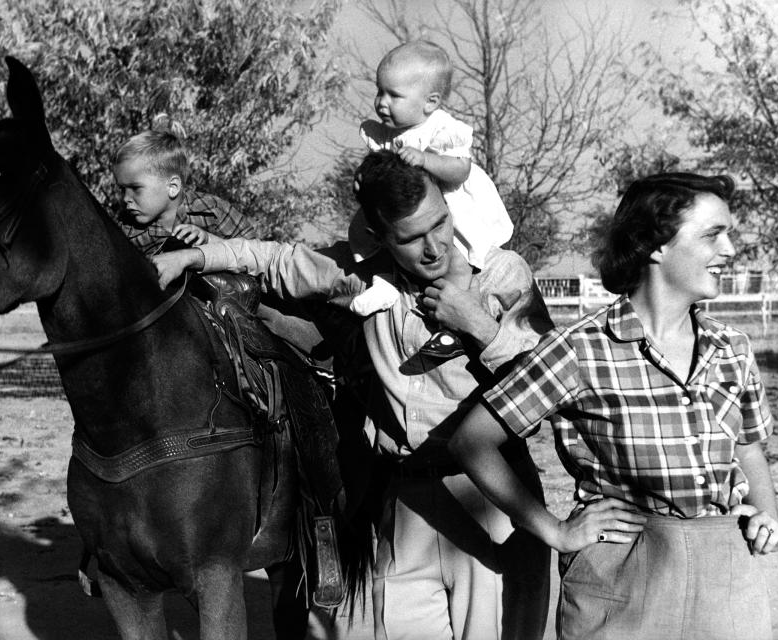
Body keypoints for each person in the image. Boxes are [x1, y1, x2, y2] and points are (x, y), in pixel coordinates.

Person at [153, 150, 552, 640]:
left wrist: (479, 325)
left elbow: (547, 389)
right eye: (411, 238)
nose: (434, 248)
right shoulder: (366, 279)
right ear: (382, 238)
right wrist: (193, 255)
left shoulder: (504, 274)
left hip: (491, 497)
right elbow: (276, 258)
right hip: (404, 501)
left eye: (439, 224)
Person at [449, 172, 778, 639]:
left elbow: (748, 448)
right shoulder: (577, 349)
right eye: (713, 234)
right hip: (622, 575)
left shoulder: (733, 348)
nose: (730, 250)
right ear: (655, 244)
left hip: (727, 575)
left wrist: (767, 513)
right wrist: (554, 531)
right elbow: (472, 441)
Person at [348, 40, 514, 361]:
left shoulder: (441, 129)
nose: (382, 103)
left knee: (458, 258)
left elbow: (460, 169)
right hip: (409, 208)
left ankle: (452, 329)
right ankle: (385, 287)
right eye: (379, 92)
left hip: (448, 203)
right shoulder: (384, 134)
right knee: (379, 238)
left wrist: (425, 160)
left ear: (430, 102)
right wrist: (365, 178)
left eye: (393, 95)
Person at [112, 128, 256, 256]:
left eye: (136, 188)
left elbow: (256, 254)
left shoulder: (212, 210)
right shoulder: (124, 230)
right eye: (122, 189)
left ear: (173, 187)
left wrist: (210, 241)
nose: (126, 198)